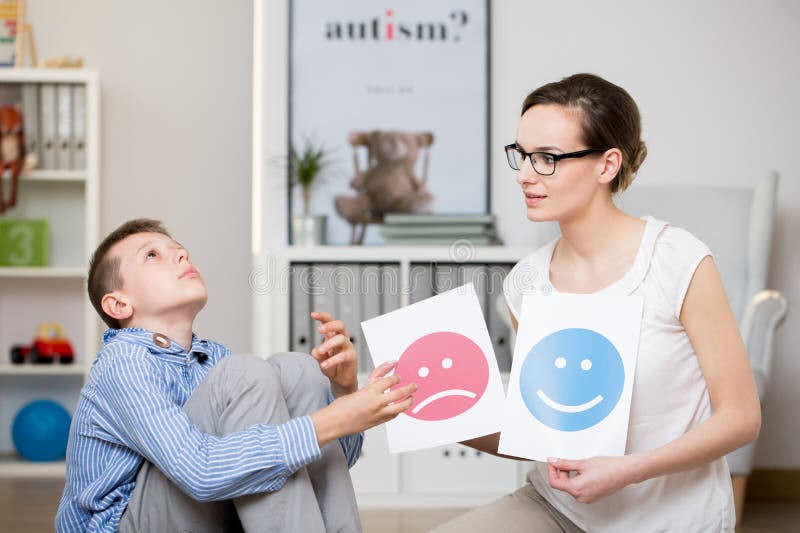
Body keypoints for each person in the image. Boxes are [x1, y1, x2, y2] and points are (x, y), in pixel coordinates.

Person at [435, 73, 761, 532]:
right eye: (522, 155)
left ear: (607, 165)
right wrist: (443, 414)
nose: (524, 174)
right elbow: (549, 431)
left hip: (668, 518)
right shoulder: (525, 282)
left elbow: (741, 418)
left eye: (547, 158)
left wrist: (630, 469)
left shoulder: (677, 259)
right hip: (559, 508)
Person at [55, 218, 416, 533]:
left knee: (297, 369)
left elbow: (325, 465)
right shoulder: (123, 363)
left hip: (208, 513)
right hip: (126, 523)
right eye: (152, 255)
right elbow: (198, 472)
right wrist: (330, 420)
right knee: (245, 373)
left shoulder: (212, 359)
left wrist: (343, 392)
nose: (182, 255)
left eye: (180, 250)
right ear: (119, 304)